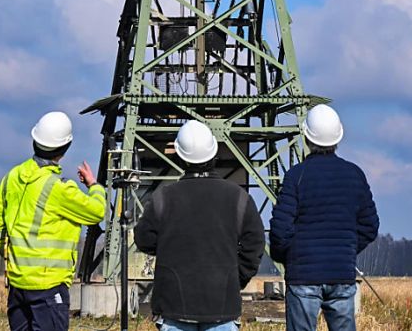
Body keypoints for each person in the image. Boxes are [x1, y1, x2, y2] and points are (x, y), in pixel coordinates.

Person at [134, 120, 265, 331]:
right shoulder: (239, 198)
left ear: (179, 155)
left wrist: (169, 249)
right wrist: (234, 277)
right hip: (222, 306)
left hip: (173, 304)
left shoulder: (162, 199)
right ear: (214, 153)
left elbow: (143, 239)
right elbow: (255, 243)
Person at [0, 111, 106, 331]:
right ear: (65, 148)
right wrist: (94, 186)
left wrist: (12, 255)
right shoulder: (58, 189)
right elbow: (97, 211)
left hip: (17, 286)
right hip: (48, 287)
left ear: (35, 140)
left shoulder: (12, 177)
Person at [269, 104, 379, 331]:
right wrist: (343, 249)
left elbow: (280, 230)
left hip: (303, 276)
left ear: (306, 136)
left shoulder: (296, 176)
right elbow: (370, 225)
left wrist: (289, 256)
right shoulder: (354, 174)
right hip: (341, 273)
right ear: (338, 137)